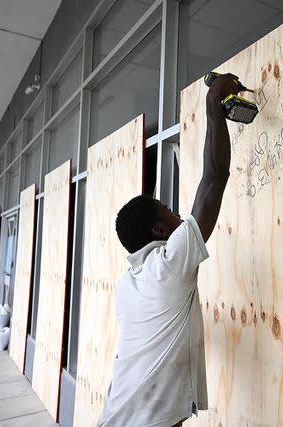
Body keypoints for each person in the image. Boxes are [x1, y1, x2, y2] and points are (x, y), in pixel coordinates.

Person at [97, 73, 240, 427]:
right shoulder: (168, 265)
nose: (177, 212)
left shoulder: (128, 283)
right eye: (168, 210)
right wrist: (214, 105)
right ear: (160, 230)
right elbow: (214, 177)